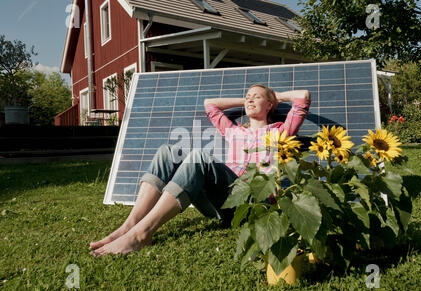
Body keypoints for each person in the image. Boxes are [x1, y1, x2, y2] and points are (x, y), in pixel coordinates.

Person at [90, 84, 310, 257]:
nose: (250, 99)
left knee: (199, 158)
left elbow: (303, 97)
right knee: (167, 151)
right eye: (247, 96)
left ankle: (142, 234)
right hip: (220, 202)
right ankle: (130, 225)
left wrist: (274, 95)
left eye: (256, 96)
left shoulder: (282, 130)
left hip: (251, 203)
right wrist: (248, 99)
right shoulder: (233, 131)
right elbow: (210, 104)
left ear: (270, 105)